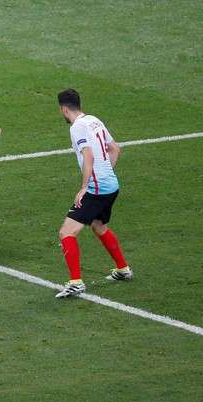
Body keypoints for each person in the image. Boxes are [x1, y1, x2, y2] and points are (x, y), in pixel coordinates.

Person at [54, 88, 132, 298]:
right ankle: (123, 269)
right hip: (112, 186)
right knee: (99, 226)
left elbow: (88, 156)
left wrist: (84, 187)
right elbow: (115, 148)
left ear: (63, 109)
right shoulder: (94, 120)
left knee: (66, 232)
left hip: (96, 190)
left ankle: (76, 282)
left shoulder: (77, 128)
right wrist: (106, 174)